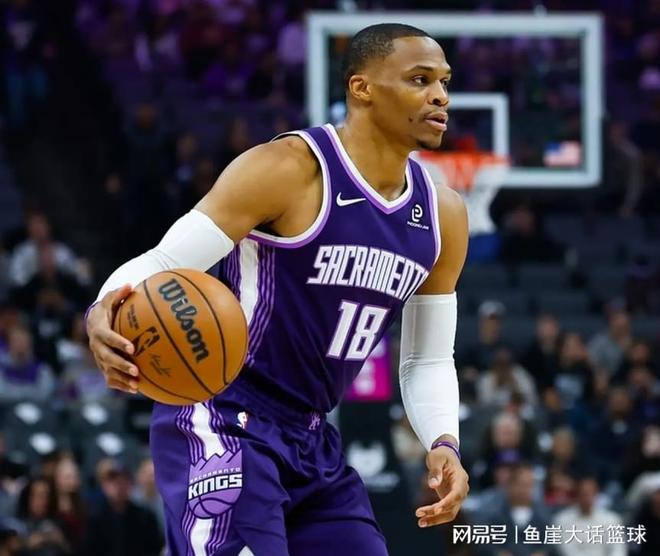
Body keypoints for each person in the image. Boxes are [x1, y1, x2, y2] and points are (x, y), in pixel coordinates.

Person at [87, 23, 469, 555]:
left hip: (312, 437)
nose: (440, 96)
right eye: (420, 79)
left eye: (444, 82)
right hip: (223, 414)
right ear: (361, 88)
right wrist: (101, 310)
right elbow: (166, 261)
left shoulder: (442, 215)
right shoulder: (290, 169)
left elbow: (427, 358)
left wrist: (443, 440)